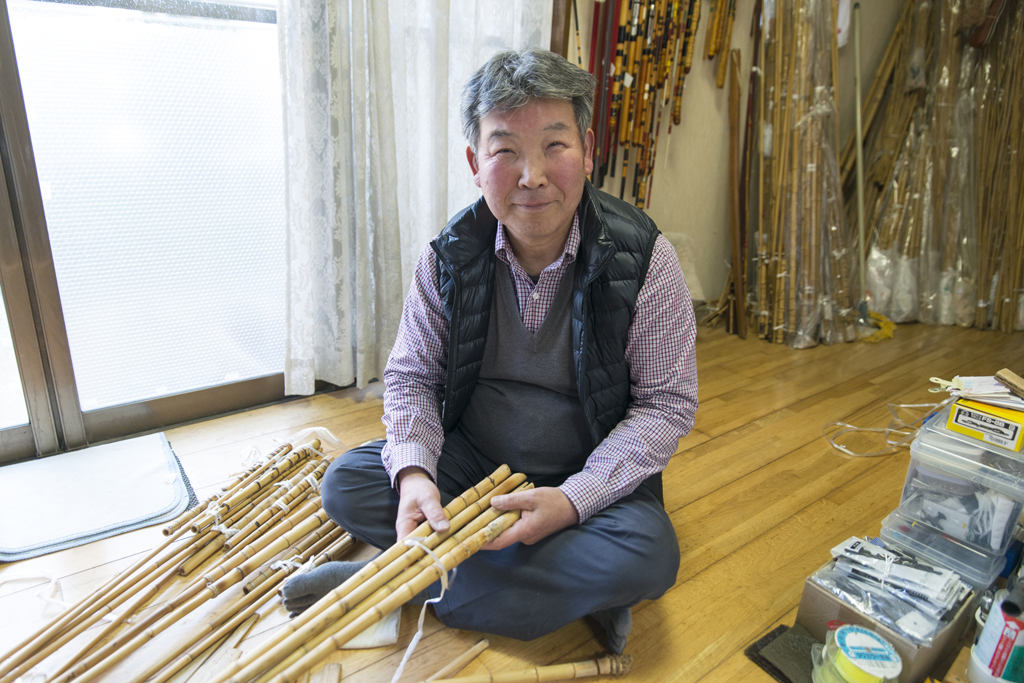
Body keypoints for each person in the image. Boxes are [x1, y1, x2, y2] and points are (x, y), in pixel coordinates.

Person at [281, 46, 698, 654]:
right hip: (473, 461)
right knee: (349, 481)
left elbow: (666, 406)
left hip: (585, 469)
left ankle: (397, 583)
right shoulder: (448, 256)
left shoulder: (645, 258)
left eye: (555, 146)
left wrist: (573, 499)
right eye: (505, 150)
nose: (532, 175)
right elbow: (411, 379)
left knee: (650, 557)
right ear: (476, 163)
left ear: (586, 150)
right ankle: (572, 595)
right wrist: (419, 474)